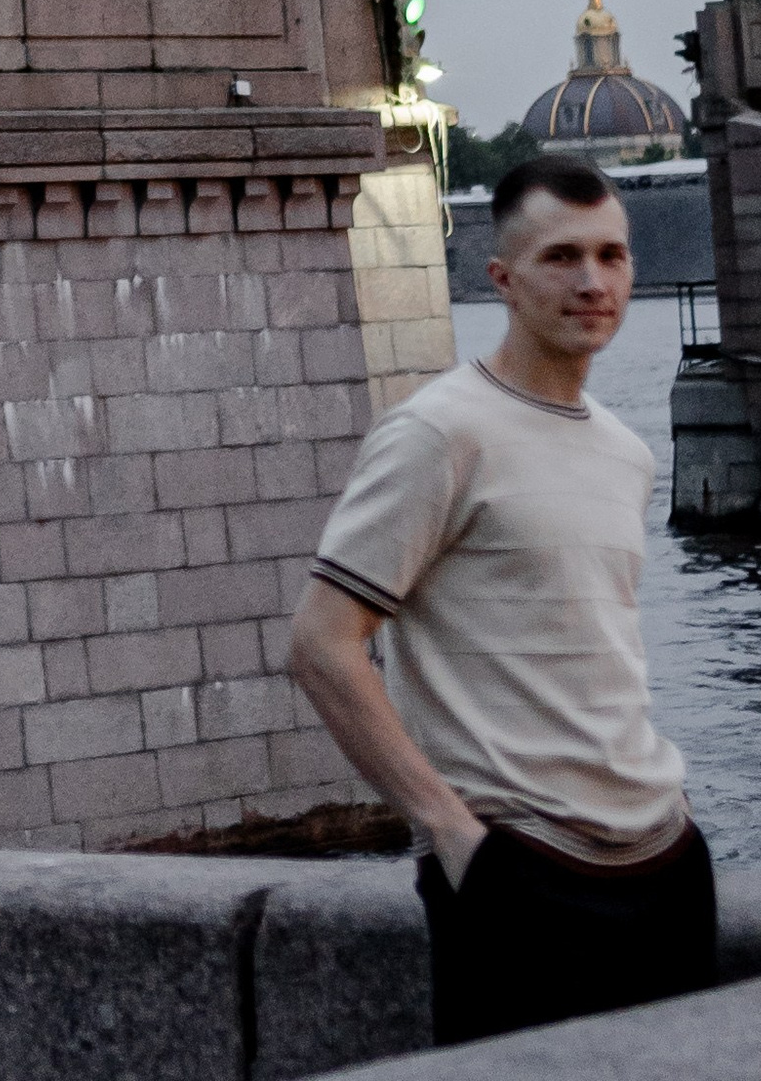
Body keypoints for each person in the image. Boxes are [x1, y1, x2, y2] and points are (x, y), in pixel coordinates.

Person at [287, 152, 715, 1045]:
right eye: (562, 257)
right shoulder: (440, 433)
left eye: (612, 255)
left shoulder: (625, 452)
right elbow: (322, 645)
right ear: (503, 279)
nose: (593, 281)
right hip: (521, 870)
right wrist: (450, 831)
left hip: (665, 860)